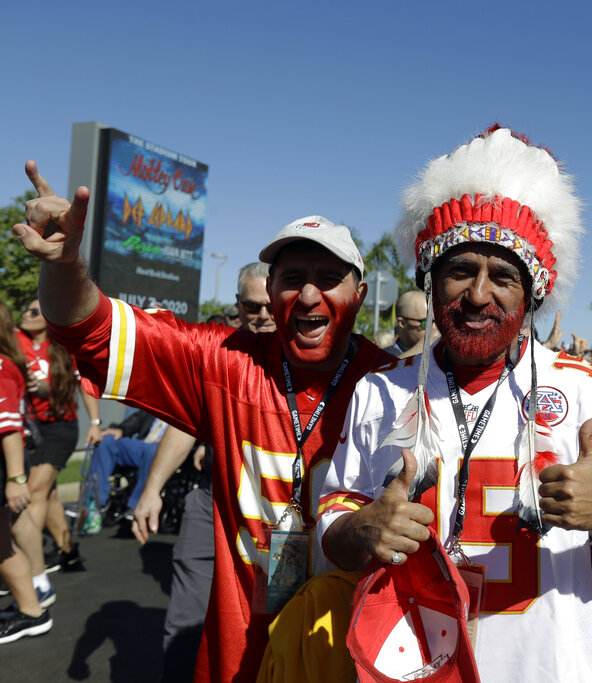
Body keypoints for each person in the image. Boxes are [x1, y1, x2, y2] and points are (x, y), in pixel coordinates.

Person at [12, 161, 393, 683]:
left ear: (361, 296)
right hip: (241, 646)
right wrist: (65, 264)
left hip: (355, 650)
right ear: (271, 289)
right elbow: (89, 329)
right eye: (292, 279)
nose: (309, 296)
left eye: (329, 279)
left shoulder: (399, 385)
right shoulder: (224, 361)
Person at [317, 126, 592, 682]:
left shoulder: (589, 391)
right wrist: (362, 529)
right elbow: (334, 523)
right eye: (461, 271)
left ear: (530, 295)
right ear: (431, 282)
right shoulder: (378, 390)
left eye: (502, 276)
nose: (479, 295)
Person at [133, 263, 277, 682]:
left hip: (280, 515)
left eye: (270, 305)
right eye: (252, 306)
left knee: (273, 623)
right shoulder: (220, 354)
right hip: (213, 499)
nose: (263, 315)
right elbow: (183, 425)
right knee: (189, 615)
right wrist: (152, 489)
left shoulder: (314, 360)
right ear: (238, 306)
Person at [12, 299, 100, 603]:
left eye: (35, 310)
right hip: (30, 428)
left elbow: (83, 385)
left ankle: (27, 564)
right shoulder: (15, 340)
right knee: (48, 495)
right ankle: (69, 552)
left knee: (35, 490)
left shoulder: (63, 345)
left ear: (48, 317)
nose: (27, 314)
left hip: (61, 428)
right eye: (25, 309)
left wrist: (95, 423)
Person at [0, 300, 51, 644]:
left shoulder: (2, 365)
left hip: (6, 461)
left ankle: (33, 610)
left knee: (2, 544)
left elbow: (8, 427)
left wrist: (16, 479)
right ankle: (32, 603)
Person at [84, 410, 168, 519]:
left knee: (152, 451)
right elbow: (137, 419)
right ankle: (94, 503)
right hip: (144, 444)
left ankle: (136, 505)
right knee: (106, 442)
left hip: (166, 450)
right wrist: (121, 429)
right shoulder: (161, 405)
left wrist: (167, 442)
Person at [388, 290, 429, 356]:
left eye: (436, 322)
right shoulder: (386, 359)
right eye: (425, 323)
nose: (434, 328)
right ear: (402, 323)